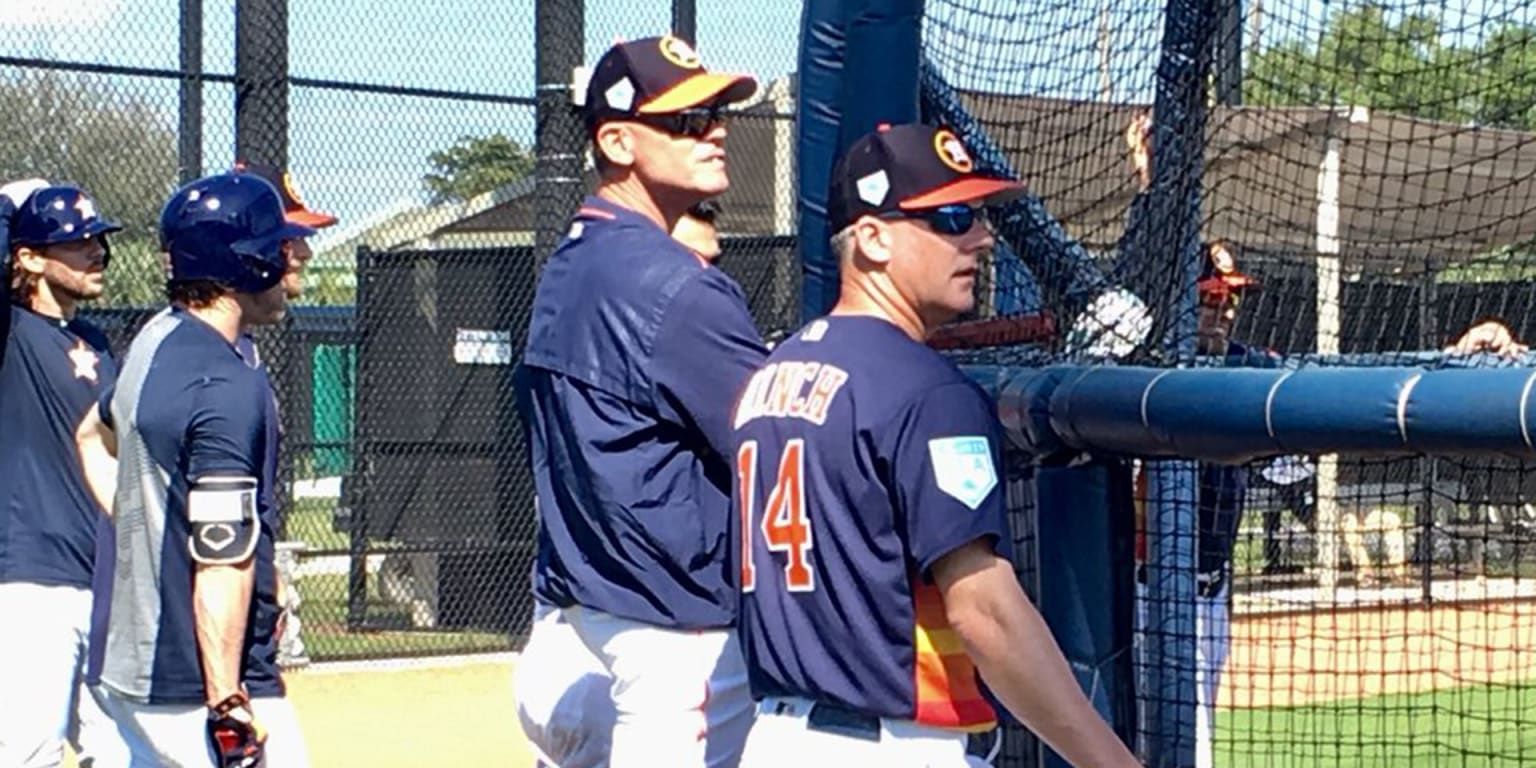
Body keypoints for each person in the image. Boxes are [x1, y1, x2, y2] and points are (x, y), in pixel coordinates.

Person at [732, 121, 1140, 767]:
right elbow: (985, 610)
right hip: (887, 745)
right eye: (949, 217)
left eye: (977, 215)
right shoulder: (928, 391)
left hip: (774, 737)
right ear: (871, 239)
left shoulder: (770, 374)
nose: (980, 237)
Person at [517, 34, 766, 767]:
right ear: (618, 141)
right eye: (686, 121)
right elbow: (787, 457)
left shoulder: (575, 260)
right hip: (674, 649)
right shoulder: (678, 285)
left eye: (716, 112)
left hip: (576, 635)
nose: (715, 129)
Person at [76, 171, 314, 767]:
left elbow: (89, 434)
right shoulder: (223, 384)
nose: (295, 259)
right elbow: (220, 562)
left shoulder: (156, 340)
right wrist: (227, 703)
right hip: (192, 675)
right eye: (281, 247)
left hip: (131, 662)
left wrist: (140, 525)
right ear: (244, 262)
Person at [513, 199, 729, 768]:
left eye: (710, 260)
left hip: (565, 642)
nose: (701, 274)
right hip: (641, 657)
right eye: (688, 258)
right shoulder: (662, 317)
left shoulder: (571, 302)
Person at [0, 179, 129, 768]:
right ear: (28, 257)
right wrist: (8, 204)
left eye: (97, 239)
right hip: (29, 577)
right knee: (30, 753)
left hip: (100, 575)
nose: (95, 251)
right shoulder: (10, 333)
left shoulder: (94, 339)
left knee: (119, 750)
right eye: (76, 242)